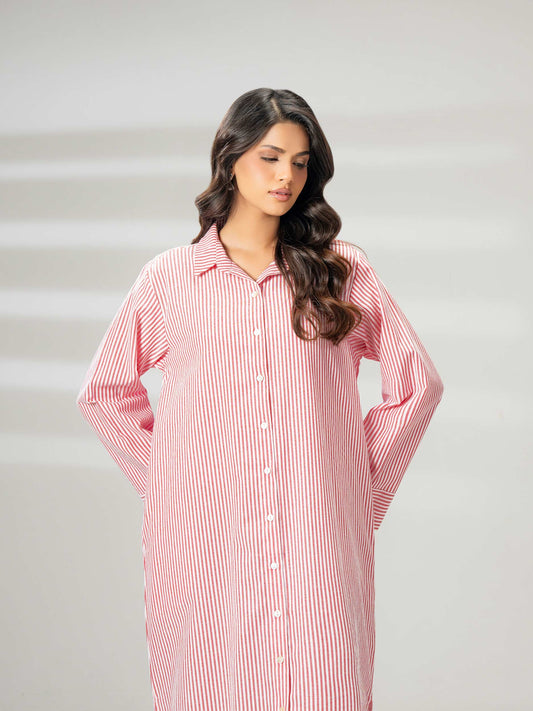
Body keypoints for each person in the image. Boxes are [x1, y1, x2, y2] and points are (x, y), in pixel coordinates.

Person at [76, 87, 444, 711]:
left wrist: (356, 490)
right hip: (204, 550)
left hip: (314, 545)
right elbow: (104, 393)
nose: (285, 177)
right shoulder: (170, 279)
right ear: (231, 159)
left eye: (300, 163)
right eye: (270, 158)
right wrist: (171, 485)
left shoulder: (339, 271)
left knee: (325, 684)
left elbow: (418, 385)